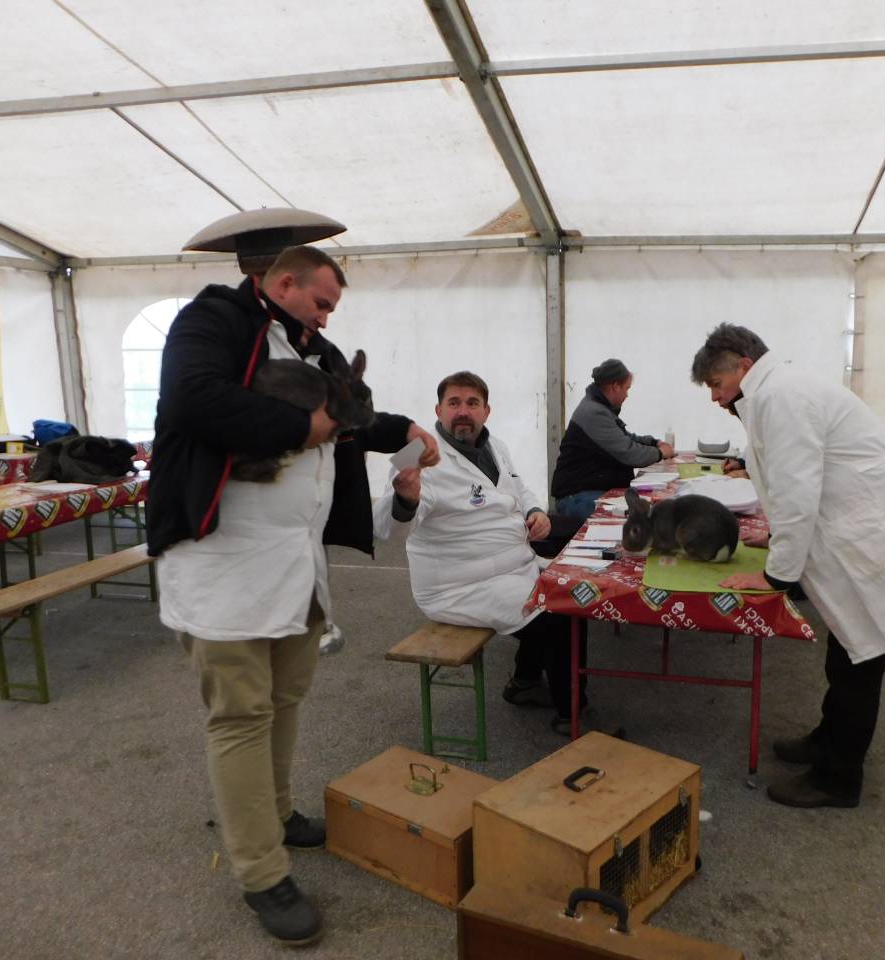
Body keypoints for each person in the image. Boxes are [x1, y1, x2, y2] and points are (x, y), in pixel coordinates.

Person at [146, 245, 432, 946]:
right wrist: (304, 430)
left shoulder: (315, 351)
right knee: (241, 714)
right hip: (222, 563)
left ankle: (274, 813)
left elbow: (350, 414)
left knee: (284, 698)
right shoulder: (211, 321)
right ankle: (260, 872)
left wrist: (402, 430)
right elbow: (194, 400)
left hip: (295, 564)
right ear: (281, 282)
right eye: (321, 301)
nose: (327, 316)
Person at [691, 323, 885, 809]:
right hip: (865, 524)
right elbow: (796, 479)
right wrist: (778, 537)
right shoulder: (777, 391)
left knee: (860, 656)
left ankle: (839, 778)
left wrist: (774, 576)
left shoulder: (780, 396)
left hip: (876, 531)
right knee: (849, 647)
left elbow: (798, 489)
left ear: (744, 366)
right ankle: (827, 741)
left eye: (716, 384)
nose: (714, 396)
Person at [374, 371, 603, 736]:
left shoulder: (495, 445)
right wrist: (406, 498)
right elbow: (388, 529)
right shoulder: (415, 455)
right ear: (438, 409)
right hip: (461, 585)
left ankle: (525, 684)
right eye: (454, 403)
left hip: (512, 565)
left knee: (575, 586)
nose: (463, 411)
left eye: (472, 403)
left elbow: (520, 489)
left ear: (486, 410)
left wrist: (535, 512)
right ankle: (573, 716)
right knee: (560, 613)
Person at [550, 358, 672, 519]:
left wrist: (653, 442)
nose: (627, 395)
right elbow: (629, 452)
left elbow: (623, 437)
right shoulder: (594, 413)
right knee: (635, 517)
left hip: (588, 491)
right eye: (626, 389)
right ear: (615, 386)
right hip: (576, 498)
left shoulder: (598, 407)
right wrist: (660, 453)